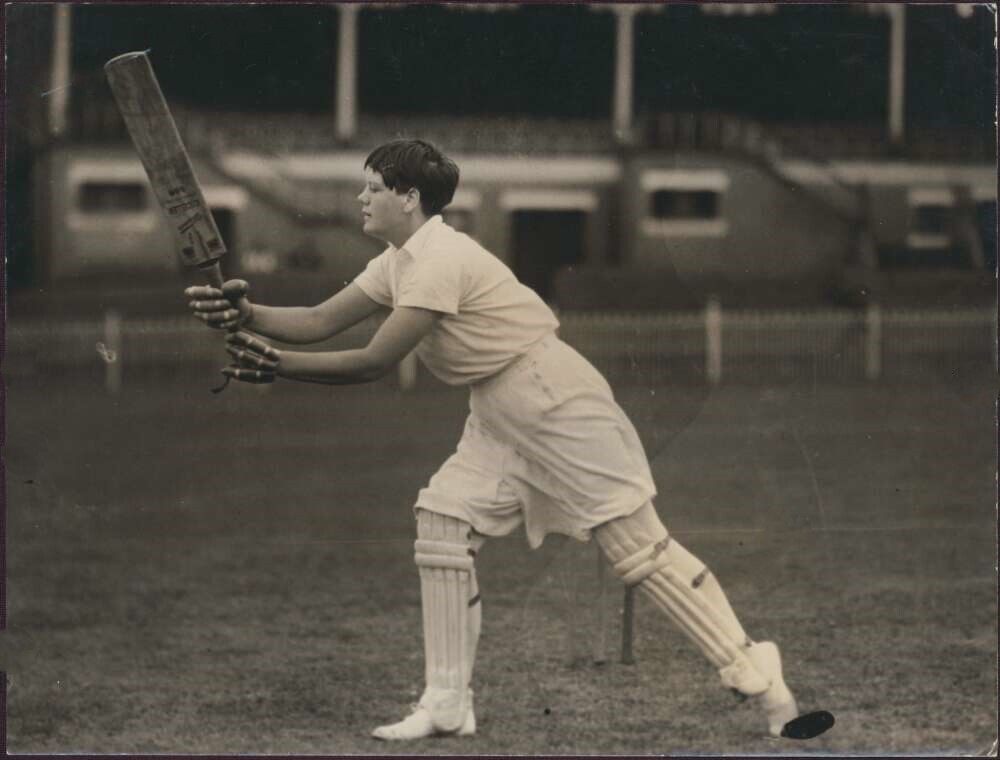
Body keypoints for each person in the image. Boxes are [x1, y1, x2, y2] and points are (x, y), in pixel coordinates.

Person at [186, 139, 802, 741]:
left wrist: (276, 366)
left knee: (637, 550)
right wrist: (243, 313)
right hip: (498, 407)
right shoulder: (397, 260)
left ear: (409, 197)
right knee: (443, 522)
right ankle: (447, 705)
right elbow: (320, 321)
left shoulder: (441, 259)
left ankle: (754, 668)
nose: (361, 198)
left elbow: (373, 360)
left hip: (556, 400)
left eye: (373, 188)